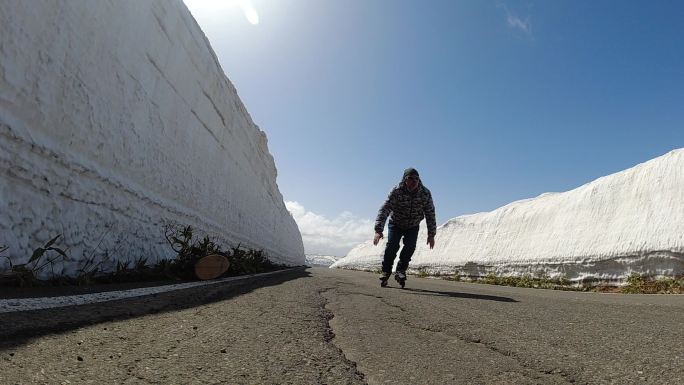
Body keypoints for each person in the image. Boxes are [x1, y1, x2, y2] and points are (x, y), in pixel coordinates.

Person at [373, 167, 436, 287]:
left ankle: (401, 270)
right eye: (410, 178)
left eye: (416, 179)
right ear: (405, 180)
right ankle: (386, 271)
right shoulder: (397, 191)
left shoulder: (425, 193)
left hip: (413, 225)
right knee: (392, 246)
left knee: (410, 247)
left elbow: (430, 213)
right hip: (396, 223)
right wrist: (378, 230)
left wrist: (431, 234)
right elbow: (385, 209)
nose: (414, 181)